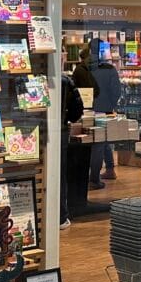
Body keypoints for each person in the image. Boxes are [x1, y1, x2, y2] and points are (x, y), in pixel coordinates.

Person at [89, 48, 122, 185]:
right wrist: (111, 104)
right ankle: (109, 169)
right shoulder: (110, 69)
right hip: (106, 108)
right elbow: (117, 90)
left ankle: (95, 177)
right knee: (104, 141)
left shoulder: (89, 69)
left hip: (91, 108)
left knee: (97, 143)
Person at [60, 73, 83, 229]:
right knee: (59, 175)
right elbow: (77, 111)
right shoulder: (65, 81)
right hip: (60, 129)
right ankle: (61, 216)